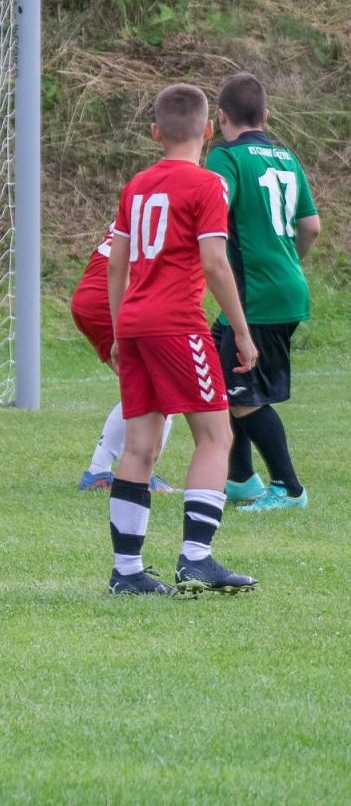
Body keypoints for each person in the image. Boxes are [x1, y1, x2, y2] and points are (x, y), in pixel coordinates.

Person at [104, 82, 258, 596]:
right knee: (216, 436)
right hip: (176, 323)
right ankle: (197, 558)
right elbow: (214, 262)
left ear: (155, 132)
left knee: (140, 447)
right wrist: (239, 329)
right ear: (209, 130)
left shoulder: (138, 184)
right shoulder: (207, 185)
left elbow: (117, 265)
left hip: (135, 322)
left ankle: (126, 572)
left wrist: (119, 327)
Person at [207, 72, 322, 513]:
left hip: (255, 297)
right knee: (221, 385)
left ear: (221, 118)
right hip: (285, 285)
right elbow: (310, 227)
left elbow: (212, 217)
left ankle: (289, 488)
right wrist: (285, 259)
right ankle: (239, 478)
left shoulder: (227, 159)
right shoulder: (286, 157)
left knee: (244, 396)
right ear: (265, 115)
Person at [71, 225, 176, 493]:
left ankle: (103, 471)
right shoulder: (180, 197)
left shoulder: (140, 195)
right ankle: (121, 472)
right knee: (163, 389)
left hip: (91, 297)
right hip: (111, 298)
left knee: (148, 388)